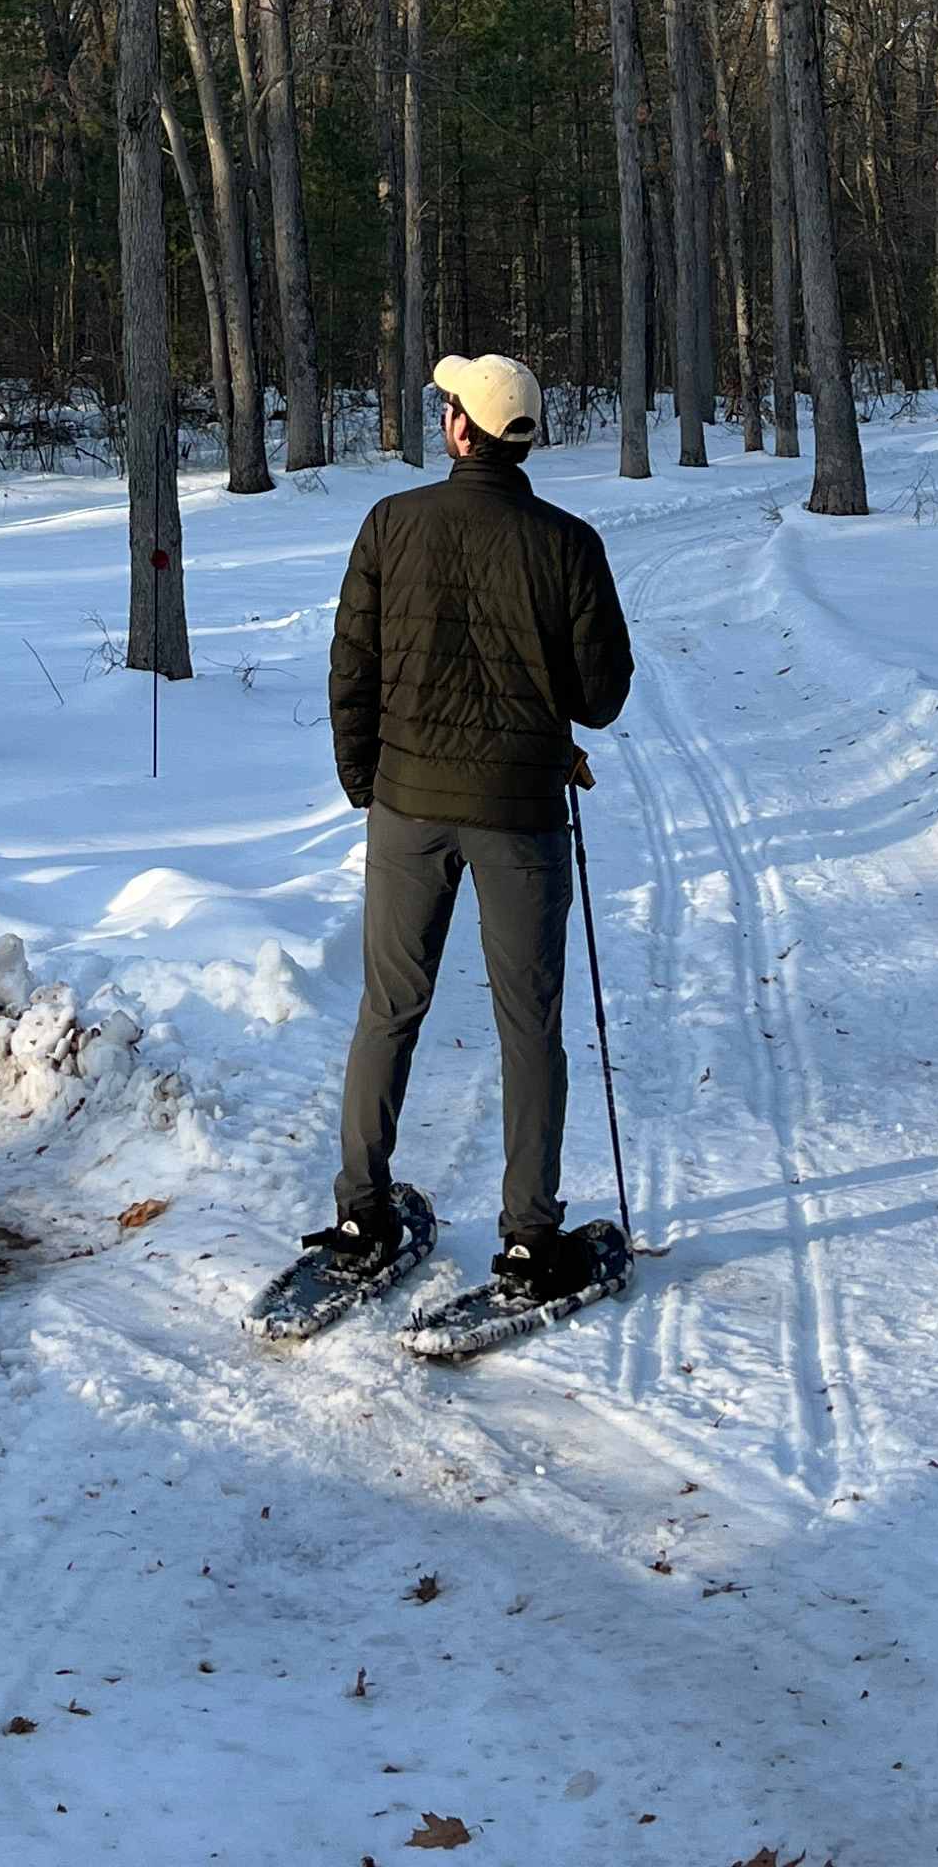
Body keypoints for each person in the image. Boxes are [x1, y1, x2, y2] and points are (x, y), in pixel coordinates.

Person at [308, 350, 635, 1307]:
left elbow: (350, 667)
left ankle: (361, 1210)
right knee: (528, 1025)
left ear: (464, 431)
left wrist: (364, 779)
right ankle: (530, 1238)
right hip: (520, 817)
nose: (444, 415)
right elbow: (602, 697)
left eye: (449, 404)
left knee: (388, 1008)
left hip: (407, 808)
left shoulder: (389, 524)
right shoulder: (568, 544)